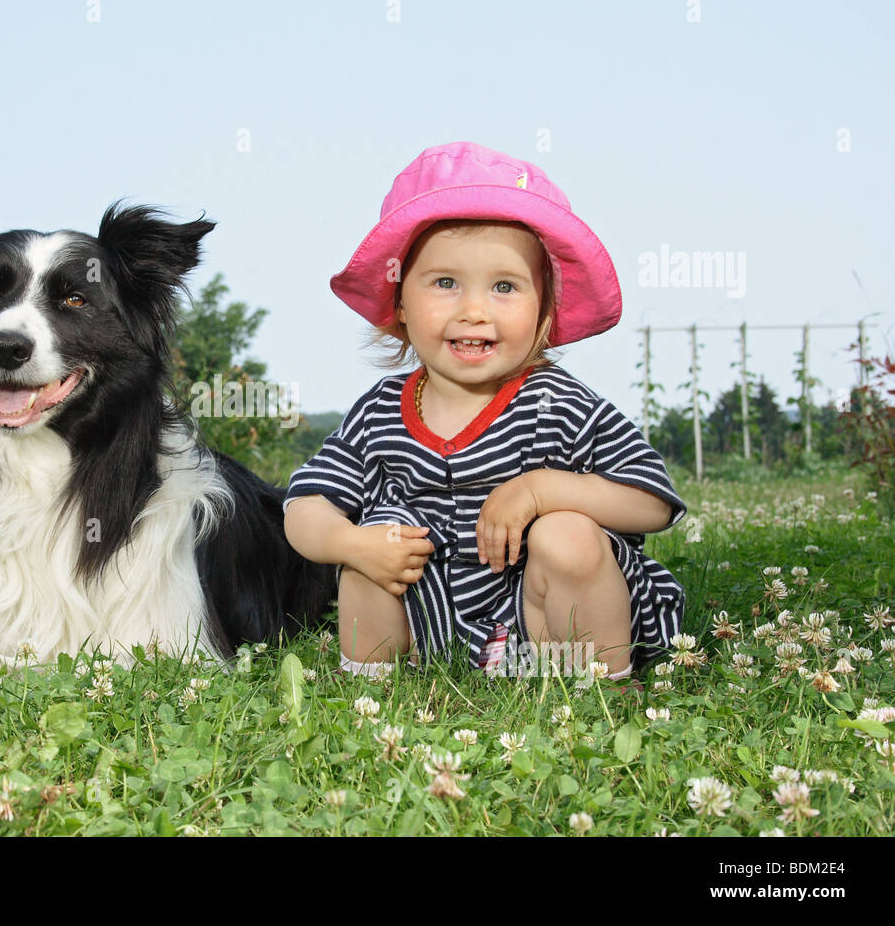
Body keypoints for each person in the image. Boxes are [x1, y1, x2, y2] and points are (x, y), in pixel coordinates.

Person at [283, 141, 687, 681]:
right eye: (445, 283)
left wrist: (542, 490)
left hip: (543, 633)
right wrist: (349, 542)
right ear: (400, 301)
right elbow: (305, 505)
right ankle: (372, 691)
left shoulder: (558, 404)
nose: (473, 310)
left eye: (504, 287)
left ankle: (601, 687)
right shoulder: (380, 413)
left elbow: (651, 502)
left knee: (566, 533)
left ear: (545, 309)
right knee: (375, 540)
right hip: (432, 633)